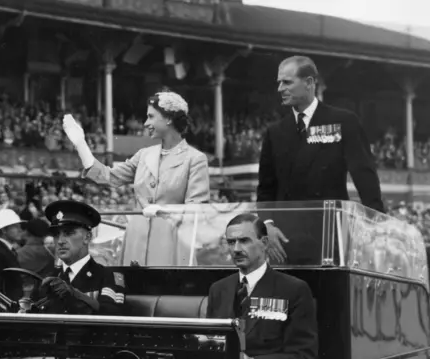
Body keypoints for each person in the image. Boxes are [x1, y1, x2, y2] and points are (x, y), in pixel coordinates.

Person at [257, 55, 384, 263]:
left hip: (331, 236)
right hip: (283, 240)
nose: (280, 88)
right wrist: (267, 226)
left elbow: (365, 177)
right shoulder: (275, 132)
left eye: (287, 82)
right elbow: (265, 190)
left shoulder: (343, 121)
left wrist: (377, 224)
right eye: (279, 82)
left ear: (309, 83)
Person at [63, 91, 210, 266]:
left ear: (169, 119)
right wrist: (81, 144)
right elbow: (109, 177)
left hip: (171, 245)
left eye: (151, 116)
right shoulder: (143, 155)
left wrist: (164, 210)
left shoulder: (195, 159)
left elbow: (197, 210)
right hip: (136, 241)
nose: (146, 123)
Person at [207, 213, 318, 359]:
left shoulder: (293, 290)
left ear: (264, 243)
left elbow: (303, 354)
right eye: (231, 242)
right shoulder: (218, 289)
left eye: (244, 241)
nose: (236, 249)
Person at [40, 200, 125, 315]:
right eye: (56, 235)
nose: (60, 241)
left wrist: (76, 295)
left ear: (87, 237)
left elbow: (111, 317)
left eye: (68, 233)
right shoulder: (49, 277)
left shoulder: (107, 277)